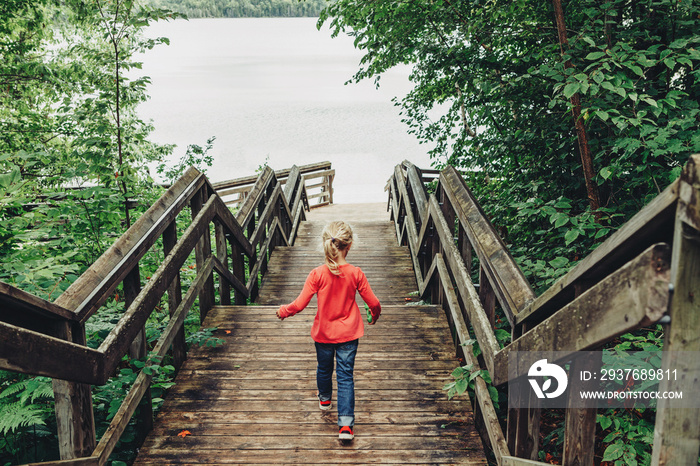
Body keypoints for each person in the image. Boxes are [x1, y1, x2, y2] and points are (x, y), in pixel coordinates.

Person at [276, 220, 381, 441]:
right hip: (349, 335)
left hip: (323, 334)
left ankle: (324, 399)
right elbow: (373, 302)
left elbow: (299, 304)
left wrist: (284, 311)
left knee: (324, 369)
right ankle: (345, 426)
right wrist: (375, 313)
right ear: (349, 245)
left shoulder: (317, 274)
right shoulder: (356, 273)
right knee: (345, 377)